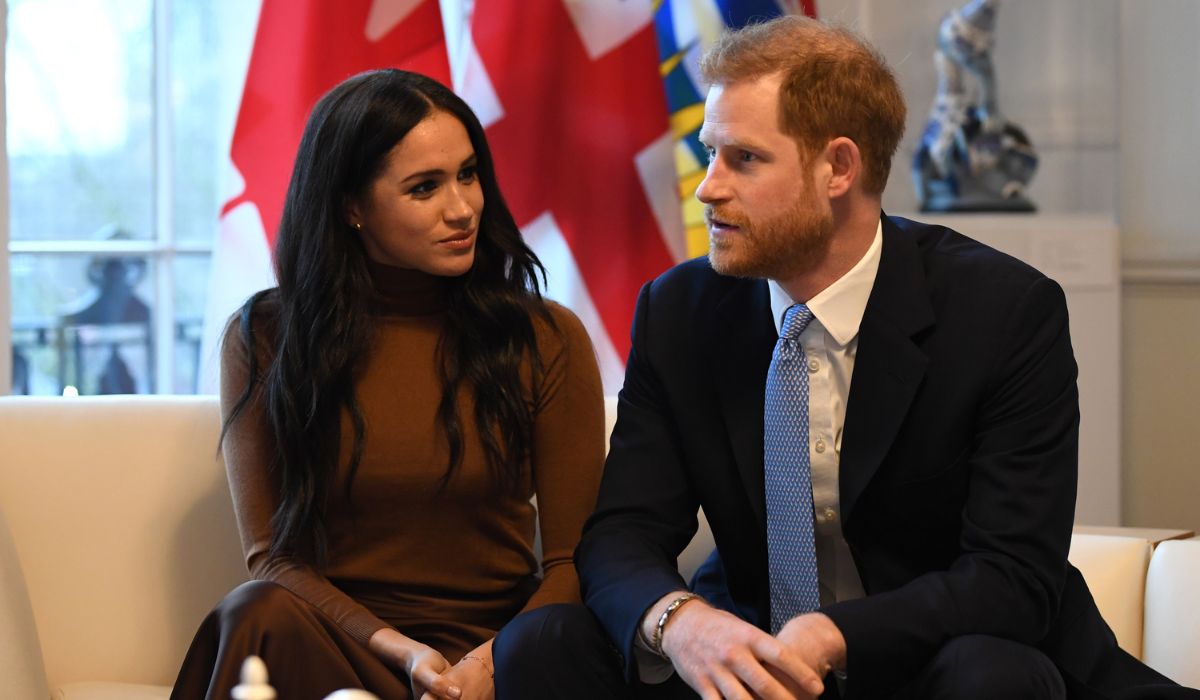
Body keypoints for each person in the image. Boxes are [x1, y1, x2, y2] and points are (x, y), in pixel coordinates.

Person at [494, 16, 1198, 700]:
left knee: (991, 675)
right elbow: (623, 534)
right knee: (541, 645)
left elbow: (1012, 576)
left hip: (930, 655)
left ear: (838, 167)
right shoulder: (680, 311)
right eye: (709, 153)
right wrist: (682, 624)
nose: (708, 186)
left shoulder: (1003, 312)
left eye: (744, 158)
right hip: (744, 658)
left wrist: (834, 635)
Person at [170, 69, 604, 700]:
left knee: (564, 637)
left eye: (468, 174)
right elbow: (274, 558)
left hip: (500, 654)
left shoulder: (545, 336)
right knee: (255, 610)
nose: (462, 208)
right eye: (424, 187)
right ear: (352, 207)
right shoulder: (265, 334)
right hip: (346, 647)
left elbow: (572, 562)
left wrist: (484, 667)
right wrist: (405, 653)